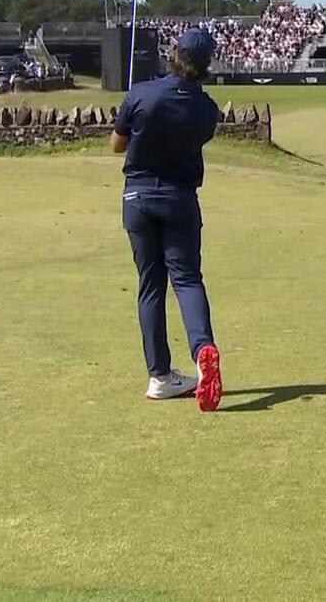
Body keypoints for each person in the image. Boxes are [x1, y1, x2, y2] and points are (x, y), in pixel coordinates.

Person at [111, 27, 224, 410]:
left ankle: (160, 376)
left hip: (137, 197)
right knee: (187, 280)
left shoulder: (141, 93)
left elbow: (117, 144)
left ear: (174, 54)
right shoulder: (207, 109)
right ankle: (203, 347)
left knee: (150, 285)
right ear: (206, 63)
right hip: (179, 199)